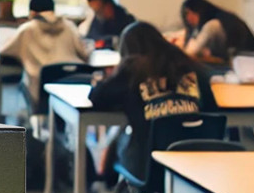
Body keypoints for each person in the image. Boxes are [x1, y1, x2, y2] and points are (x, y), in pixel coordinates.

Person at [90, 21, 215, 180]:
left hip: (151, 168)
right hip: (198, 166)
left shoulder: (132, 70)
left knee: (121, 139)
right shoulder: (191, 67)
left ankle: (108, 180)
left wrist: (109, 79)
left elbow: (97, 98)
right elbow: (212, 109)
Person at [0, 0, 87, 104]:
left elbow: (4, 50)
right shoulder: (70, 26)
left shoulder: (27, 29)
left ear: (32, 12)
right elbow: (84, 53)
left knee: (24, 82)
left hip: (39, 85)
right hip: (72, 83)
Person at [176, 0, 254, 63]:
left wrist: (177, 47)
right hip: (248, 60)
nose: (187, 18)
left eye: (188, 13)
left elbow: (190, 52)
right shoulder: (223, 20)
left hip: (240, 63)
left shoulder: (212, 25)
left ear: (198, 10)